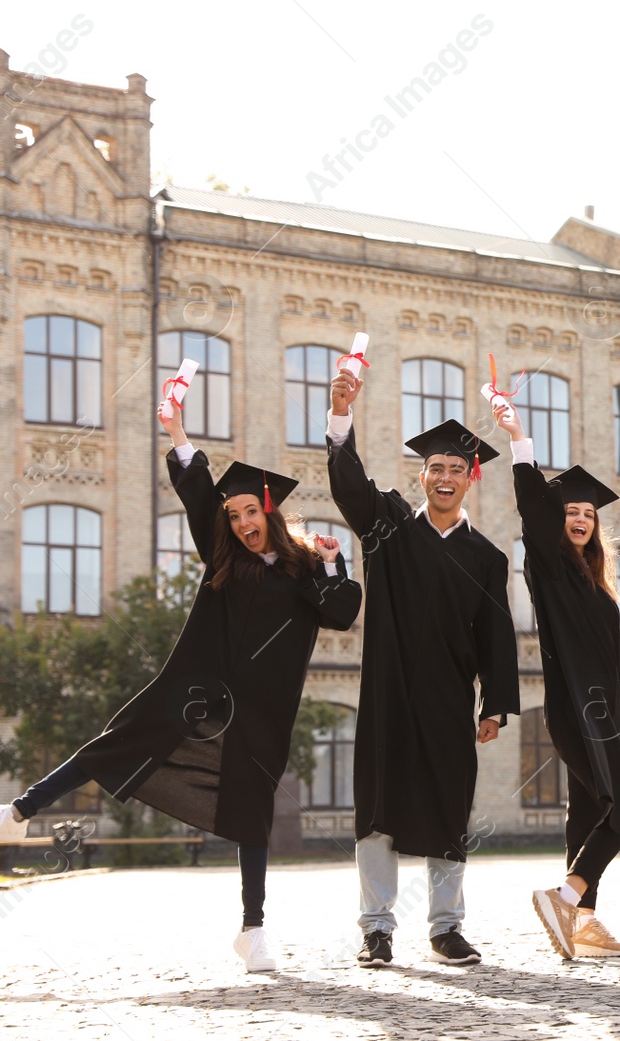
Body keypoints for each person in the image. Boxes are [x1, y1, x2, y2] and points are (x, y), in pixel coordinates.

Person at [1, 402, 361, 973]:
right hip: (196, 686)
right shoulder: (223, 555)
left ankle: (253, 930)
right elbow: (198, 497)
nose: (243, 522)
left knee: (251, 806)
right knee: (121, 740)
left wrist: (334, 563)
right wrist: (176, 432)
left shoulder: (303, 574)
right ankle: (19, 810)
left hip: (262, 709)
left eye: (251, 511)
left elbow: (341, 614)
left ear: (270, 511)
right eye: (235, 512)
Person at [325, 371, 520, 969]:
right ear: (422, 475)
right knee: (378, 805)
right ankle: (376, 929)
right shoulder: (387, 527)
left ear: (471, 478)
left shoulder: (487, 557)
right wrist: (340, 416)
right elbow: (349, 486)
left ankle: (445, 929)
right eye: (435, 467)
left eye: (455, 469)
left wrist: (495, 704)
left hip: (447, 695)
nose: (443, 477)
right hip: (387, 690)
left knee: (446, 804)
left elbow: (495, 633)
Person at [493, 402, 620, 960]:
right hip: (576, 709)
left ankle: (581, 923)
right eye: (569, 511)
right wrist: (519, 440)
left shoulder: (599, 586)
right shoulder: (550, 569)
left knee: (589, 812)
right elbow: (534, 515)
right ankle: (564, 896)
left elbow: (615, 655)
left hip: (604, 712)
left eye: (587, 513)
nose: (579, 518)